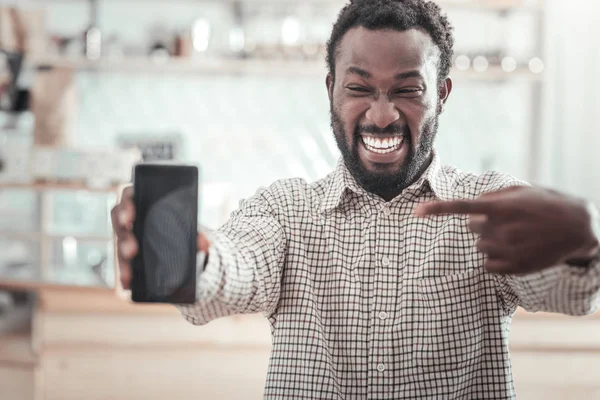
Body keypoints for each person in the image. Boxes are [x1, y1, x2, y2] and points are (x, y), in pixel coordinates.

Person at [111, 0, 600, 398]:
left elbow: (570, 292)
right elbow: (235, 266)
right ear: (331, 91)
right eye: (359, 89)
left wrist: (583, 240)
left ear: (443, 94)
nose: (382, 115)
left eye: (407, 90)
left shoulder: (487, 205)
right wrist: (189, 258)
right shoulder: (286, 211)